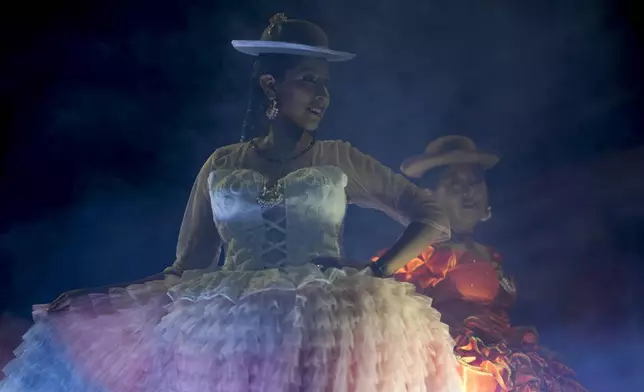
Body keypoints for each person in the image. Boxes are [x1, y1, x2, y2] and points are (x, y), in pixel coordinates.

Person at [0, 14, 462, 391]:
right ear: (269, 86)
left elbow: (431, 214)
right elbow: (187, 267)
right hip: (232, 332)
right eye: (308, 81)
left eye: (325, 83)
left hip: (327, 325)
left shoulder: (338, 157)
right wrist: (97, 299)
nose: (322, 95)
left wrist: (381, 270)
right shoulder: (222, 163)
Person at [374, 135, 586, 391]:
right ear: (429, 197)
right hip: (456, 373)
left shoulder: (492, 254)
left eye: (475, 182)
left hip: (504, 368)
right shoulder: (419, 256)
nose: (468, 192)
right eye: (454, 183)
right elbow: (384, 305)